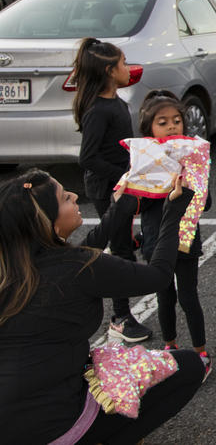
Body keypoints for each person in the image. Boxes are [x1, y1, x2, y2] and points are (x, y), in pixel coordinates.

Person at [0, 168, 202, 445]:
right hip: (52, 423)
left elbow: (74, 260)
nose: (73, 196)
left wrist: (118, 211)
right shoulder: (77, 268)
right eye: (64, 198)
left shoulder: (12, 269)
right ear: (47, 223)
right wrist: (173, 211)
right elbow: (158, 276)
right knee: (189, 366)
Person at [71, 37, 151, 343]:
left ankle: (129, 242)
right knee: (119, 252)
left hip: (121, 184)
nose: (127, 68)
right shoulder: (98, 110)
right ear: (108, 70)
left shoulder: (116, 101)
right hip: (108, 188)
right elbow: (88, 158)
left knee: (124, 244)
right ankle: (120, 318)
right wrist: (122, 177)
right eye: (122, 64)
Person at [132, 91, 213, 377]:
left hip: (187, 239)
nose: (171, 127)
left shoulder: (193, 157)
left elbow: (207, 201)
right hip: (156, 240)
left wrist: (192, 185)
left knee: (188, 296)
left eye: (176, 121)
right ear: (148, 129)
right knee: (164, 296)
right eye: (162, 122)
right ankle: (169, 347)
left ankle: (200, 352)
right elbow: (138, 201)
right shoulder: (144, 160)